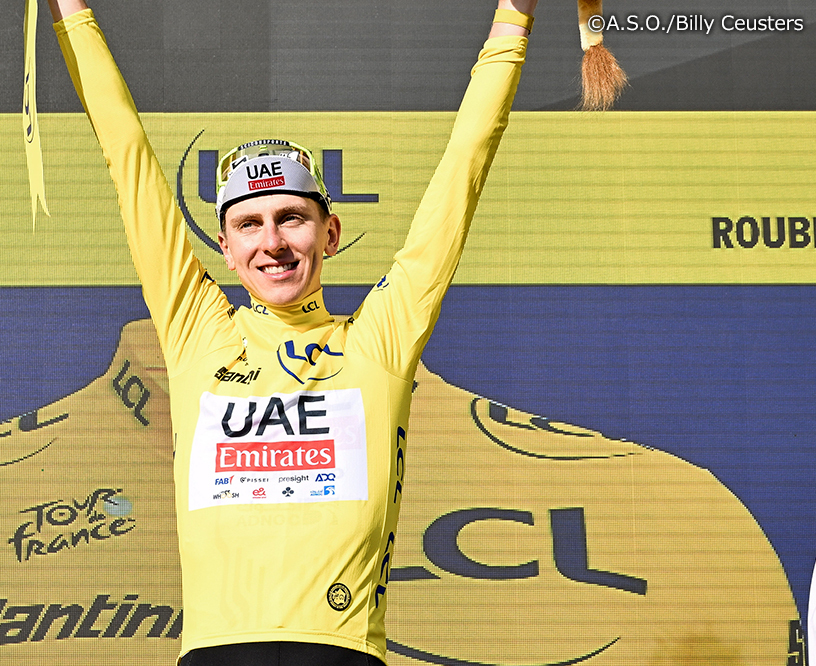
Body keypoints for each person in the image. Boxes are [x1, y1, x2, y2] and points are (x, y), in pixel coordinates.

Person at [47, 0, 537, 663]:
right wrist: (71, 10)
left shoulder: (377, 341)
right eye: (249, 225)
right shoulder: (200, 334)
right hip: (218, 651)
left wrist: (514, 16)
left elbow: (464, 167)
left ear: (330, 233)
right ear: (225, 248)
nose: (272, 242)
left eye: (292, 219)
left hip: (339, 649)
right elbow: (123, 149)